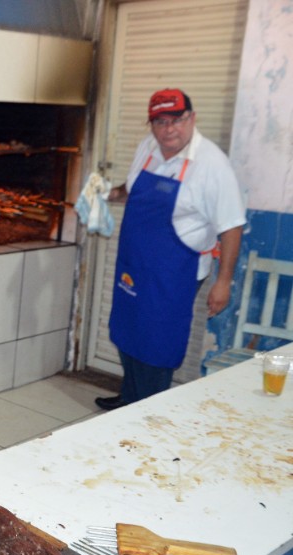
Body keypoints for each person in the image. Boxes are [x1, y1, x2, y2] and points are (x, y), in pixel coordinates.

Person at [96, 89, 245, 411]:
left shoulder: (212, 165)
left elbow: (232, 226)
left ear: (191, 118)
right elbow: (132, 189)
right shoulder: (148, 147)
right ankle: (130, 398)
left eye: (177, 120)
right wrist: (104, 194)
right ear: (151, 124)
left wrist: (223, 282)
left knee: (157, 340)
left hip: (175, 269)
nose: (169, 130)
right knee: (128, 328)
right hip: (135, 260)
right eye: (160, 122)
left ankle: (148, 412)